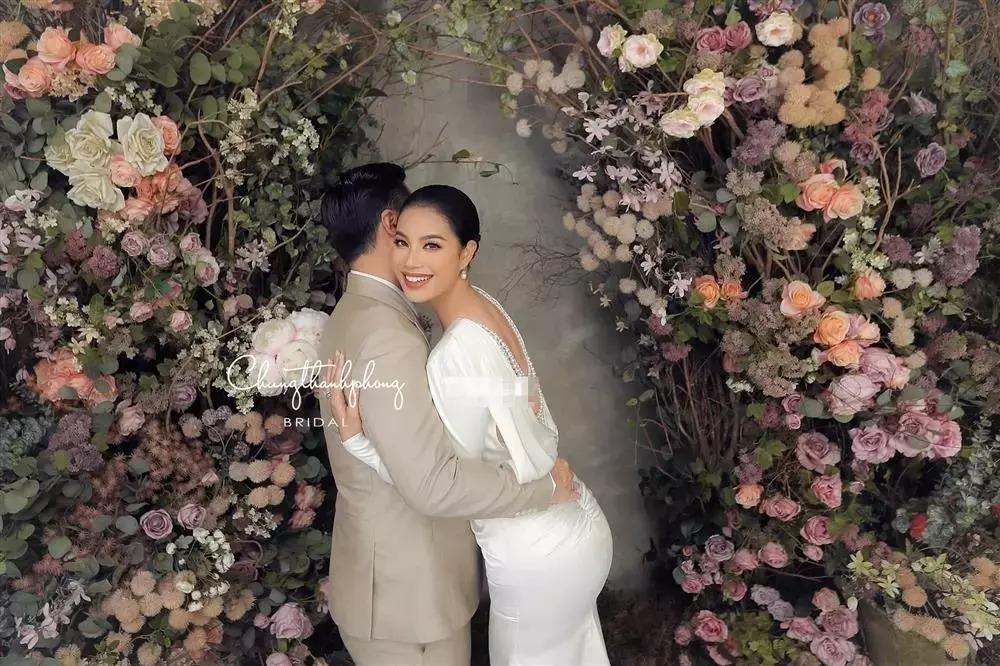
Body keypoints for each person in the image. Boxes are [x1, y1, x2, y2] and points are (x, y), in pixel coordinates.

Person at [322, 177, 614, 665]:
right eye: (405, 240)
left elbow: (439, 473)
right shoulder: (471, 315)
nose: (414, 258)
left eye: (431, 244)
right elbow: (439, 479)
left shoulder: (370, 319)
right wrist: (545, 482)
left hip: (528, 547)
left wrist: (358, 444)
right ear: (391, 226)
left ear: (466, 252)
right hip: (545, 537)